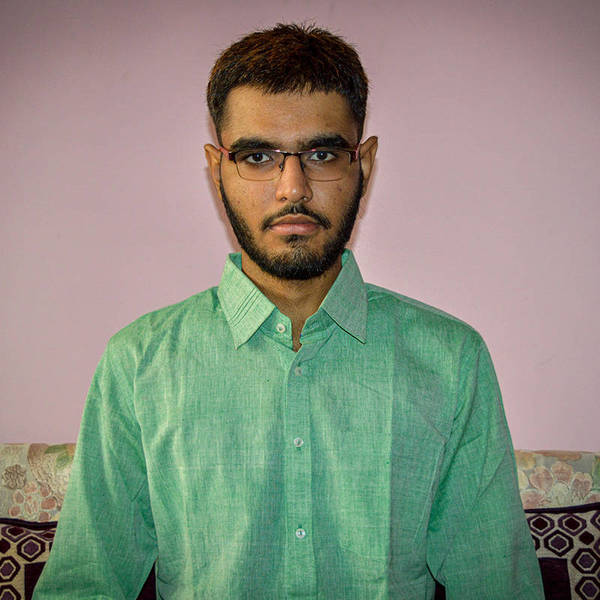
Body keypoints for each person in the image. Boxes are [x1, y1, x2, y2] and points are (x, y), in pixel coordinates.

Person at [34, 23, 544, 599]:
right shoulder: (138, 363)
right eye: (258, 156)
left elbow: (495, 583)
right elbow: (86, 586)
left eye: (322, 153)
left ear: (365, 162)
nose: (292, 188)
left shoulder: (451, 359)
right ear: (217, 168)